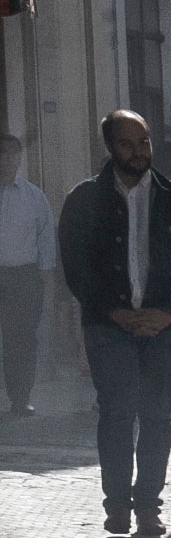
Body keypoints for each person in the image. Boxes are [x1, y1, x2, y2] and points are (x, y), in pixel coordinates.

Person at [55, 111, 171, 538]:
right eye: (128, 144)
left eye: (144, 142)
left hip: (166, 326)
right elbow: (75, 266)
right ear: (110, 147)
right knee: (117, 412)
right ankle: (117, 504)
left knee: (157, 415)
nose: (139, 152)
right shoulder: (84, 199)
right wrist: (113, 310)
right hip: (109, 325)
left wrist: (168, 313)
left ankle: (147, 506)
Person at [0, 131, 55, 416]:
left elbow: (45, 234)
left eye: (13, 152)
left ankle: (20, 398)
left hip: (23, 277)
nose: (7, 158)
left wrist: (45, 270)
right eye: (2, 153)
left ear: (20, 157)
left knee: (22, 338)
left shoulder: (33, 196)